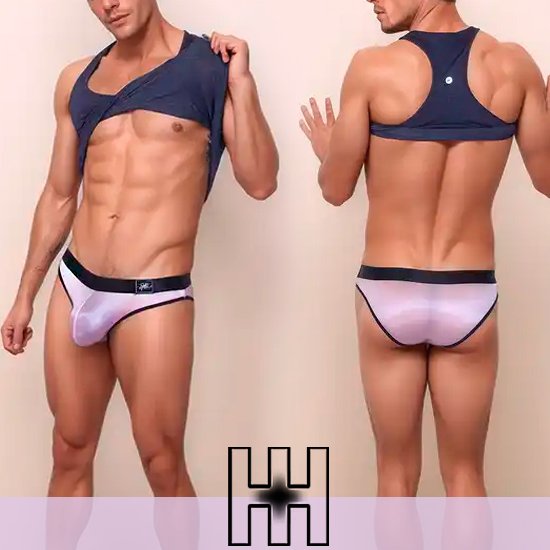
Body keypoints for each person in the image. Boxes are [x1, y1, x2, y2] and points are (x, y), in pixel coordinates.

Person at [1, 0, 278, 497]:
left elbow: (261, 181)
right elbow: (60, 195)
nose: (109, 4)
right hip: (76, 284)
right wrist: (25, 295)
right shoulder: (77, 80)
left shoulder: (208, 68)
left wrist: (242, 84)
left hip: (153, 296)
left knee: (162, 462)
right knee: (68, 449)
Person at [300, 0, 550, 496]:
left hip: (389, 290)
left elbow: (335, 189)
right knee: (466, 475)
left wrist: (329, 151)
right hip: (468, 292)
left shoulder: (372, 68)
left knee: (395, 475)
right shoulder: (514, 66)